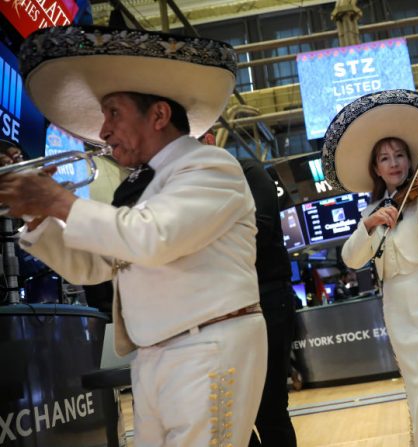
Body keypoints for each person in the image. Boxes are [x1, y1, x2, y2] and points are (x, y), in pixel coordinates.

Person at [0, 26, 267, 446]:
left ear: (159, 116)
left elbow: (153, 238)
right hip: (156, 355)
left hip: (207, 348)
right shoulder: (144, 186)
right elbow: (93, 267)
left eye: (113, 114)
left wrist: (60, 202)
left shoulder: (211, 167)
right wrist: (40, 219)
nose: (103, 132)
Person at [323, 89, 418, 447]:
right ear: (375, 168)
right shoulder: (374, 209)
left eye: (399, 156)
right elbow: (351, 258)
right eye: (384, 158)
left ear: (410, 161)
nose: (393, 163)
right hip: (397, 307)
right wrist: (368, 225)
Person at [238, 158, 298, 447]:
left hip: (267, 299)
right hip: (224, 308)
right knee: (232, 416)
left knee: (269, 410)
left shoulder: (248, 170)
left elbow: (260, 229)